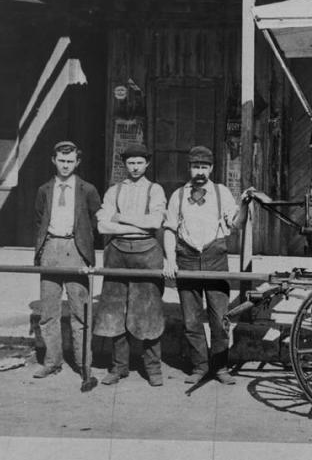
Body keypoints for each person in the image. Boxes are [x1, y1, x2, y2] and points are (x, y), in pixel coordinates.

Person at [163, 145, 243, 386]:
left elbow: (236, 223)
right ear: (189, 168)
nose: (200, 171)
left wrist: (247, 206)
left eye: (204, 167)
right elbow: (169, 229)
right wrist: (170, 259)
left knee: (220, 319)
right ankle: (199, 366)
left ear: (211, 168)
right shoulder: (178, 195)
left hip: (215, 259)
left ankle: (220, 367)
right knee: (191, 320)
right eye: (196, 166)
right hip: (186, 258)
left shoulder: (222, 193)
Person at [94, 143, 167, 387]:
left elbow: (155, 223)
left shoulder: (155, 190)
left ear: (147, 164)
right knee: (116, 311)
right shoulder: (114, 191)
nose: (135, 167)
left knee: (149, 312)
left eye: (139, 163)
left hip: (147, 253)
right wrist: (138, 224)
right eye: (130, 163)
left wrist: (121, 218)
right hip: (116, 252)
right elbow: (103, 226)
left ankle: (153, 369)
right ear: (124, 164)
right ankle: (119, 367)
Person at [32, 140, 101, 392]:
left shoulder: (87, 189)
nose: (65, 166)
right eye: (61, 161)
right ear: (54, 160)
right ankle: (52, 361)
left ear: (77, 162)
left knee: (80, 313)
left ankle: (84, 366)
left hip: (76, 250)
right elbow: (39, 219)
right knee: (48, 311)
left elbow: (97, 220)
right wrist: (41, 250)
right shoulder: (44, 190)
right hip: (51, 248)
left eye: (70, 161)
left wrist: (84, 245)